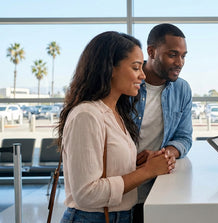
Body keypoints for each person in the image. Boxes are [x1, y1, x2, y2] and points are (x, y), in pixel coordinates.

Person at [56, 31, 175, 222]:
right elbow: (86, 193)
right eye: (136, 67)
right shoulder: (86, 115)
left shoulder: (115, 113)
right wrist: (147, 171)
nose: (143, 75)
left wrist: (142, 163)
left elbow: (106, 167)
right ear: (110, 68)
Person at [131, 23, 193, 222]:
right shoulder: (127, 85)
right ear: (151, 51)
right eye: (173, 54)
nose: (180, 62)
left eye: (183, 56)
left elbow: (184, 138)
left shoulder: (182, 89)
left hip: (156, 188)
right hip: (122, 188)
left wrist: (164, 154)